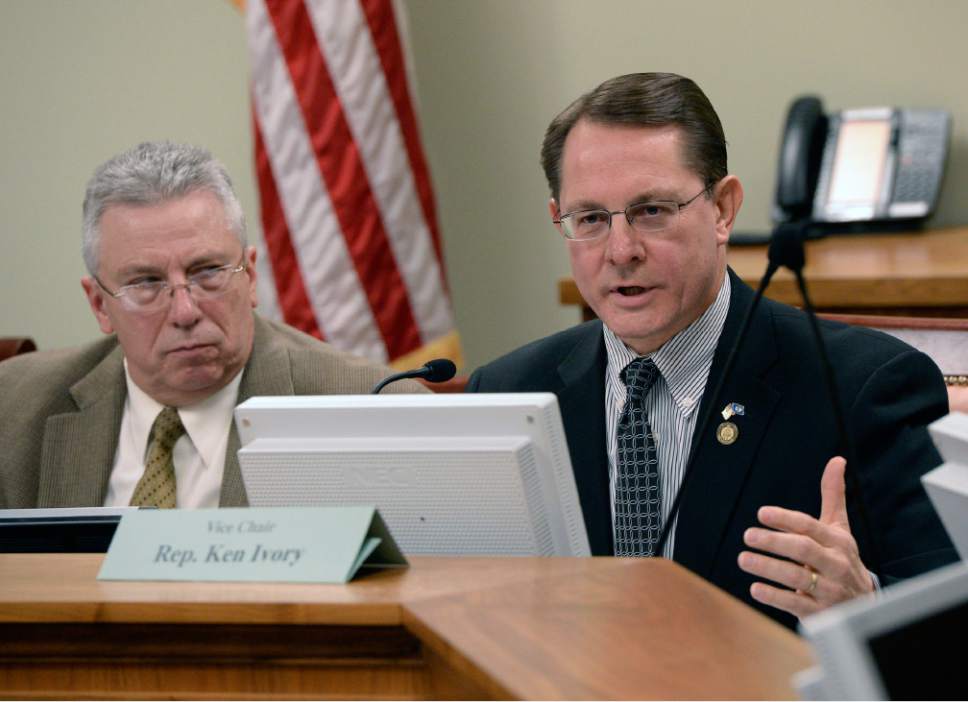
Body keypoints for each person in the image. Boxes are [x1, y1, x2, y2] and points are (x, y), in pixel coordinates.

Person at [467, 73, 956, 629]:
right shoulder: (508, 393)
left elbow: (945, 631)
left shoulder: (864, 387)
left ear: (723, 209)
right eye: (591, 219)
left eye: (651, 210)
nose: (621, 251)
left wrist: (866, 604)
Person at [0, 141, 423, 510]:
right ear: (99, 305)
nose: (185, 312)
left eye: (207, 272)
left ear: (251, 276)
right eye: (147, 283)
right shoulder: (14, 408)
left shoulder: (370, 410)